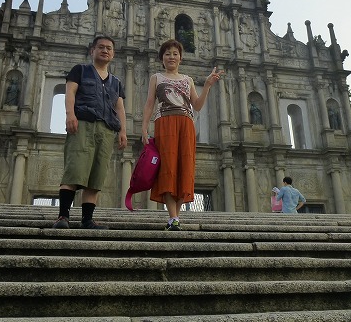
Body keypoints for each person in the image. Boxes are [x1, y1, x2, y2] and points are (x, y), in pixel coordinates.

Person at [141, 39, 224, 230]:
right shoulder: (156, 78)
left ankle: (175, 217)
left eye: (175, 53)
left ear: (180, 58)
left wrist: (208, 85)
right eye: (167, 53)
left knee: (184, 169)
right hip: (165, 123)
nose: (171, 57)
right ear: (162, 58)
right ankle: (173, 217)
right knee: (168, 167)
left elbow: (197, 106)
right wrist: (144, 127)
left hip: (186, 124)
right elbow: (149, 103)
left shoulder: (188, 80)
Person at [52, 35, 128, 229]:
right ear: (92, 50)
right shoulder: (80, 70)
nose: (105, 50)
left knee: (96, 177)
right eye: (101, 47)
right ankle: (63, 217)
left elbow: (119, 108)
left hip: (106, 130)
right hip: (83, 125)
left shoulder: (116, 82)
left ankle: (87, 220)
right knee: (74, 170)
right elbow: (70, 92)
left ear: (113, 54)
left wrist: (123, 131)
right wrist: (70, 114)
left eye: (109, 48)